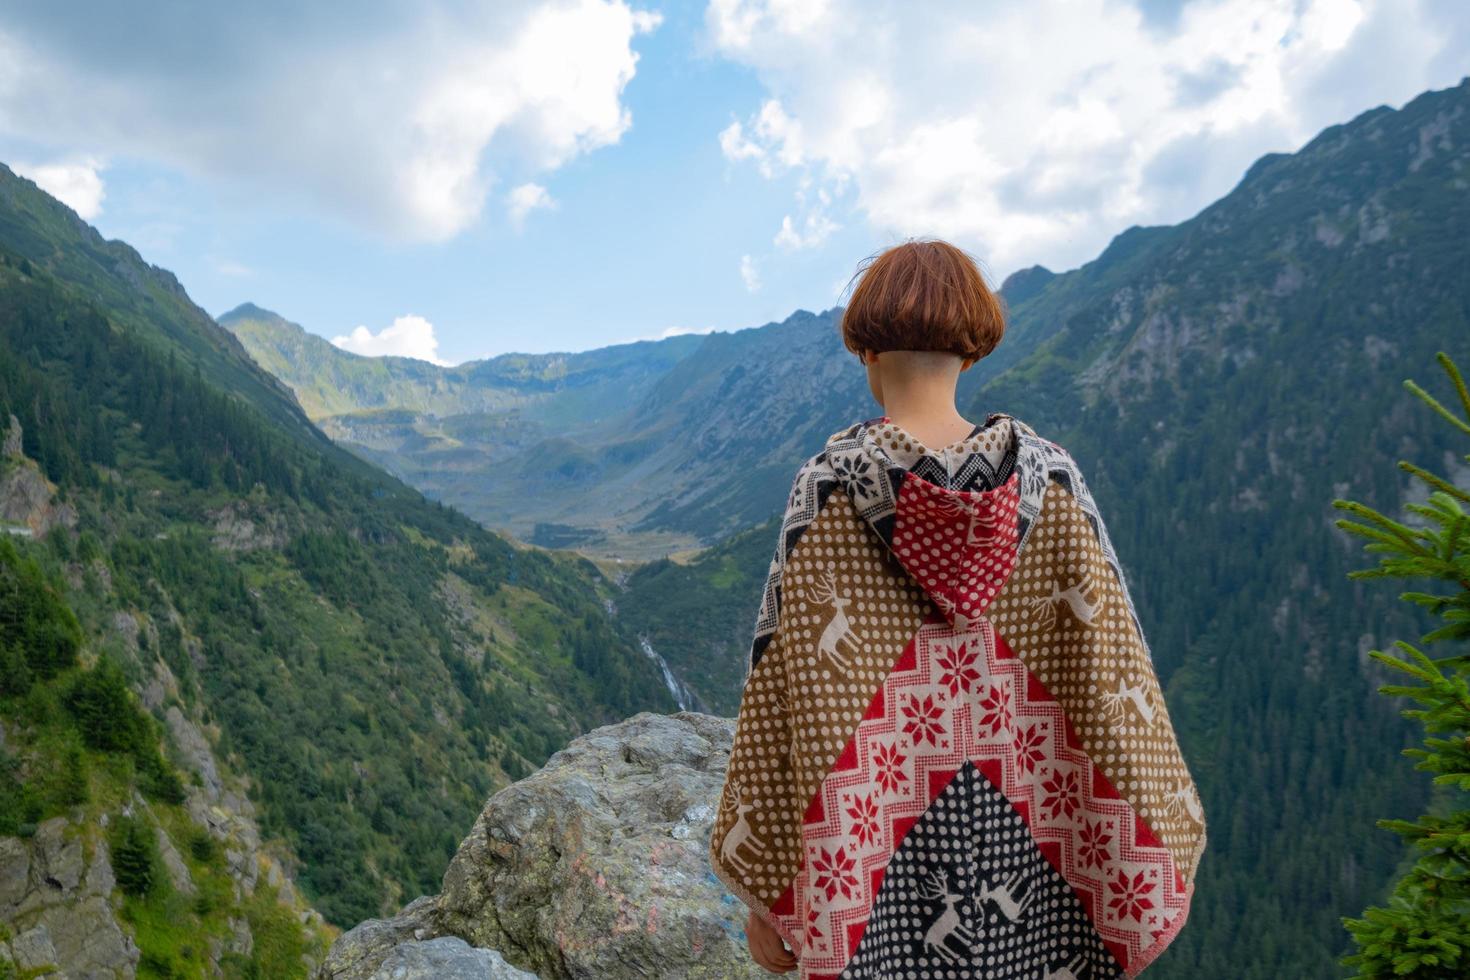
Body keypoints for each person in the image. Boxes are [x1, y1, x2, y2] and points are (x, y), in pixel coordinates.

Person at [709, 240, 1206, 978]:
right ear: (970, 355)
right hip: (1043, 886)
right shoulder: (1054, 485)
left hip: (878, 894)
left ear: (867, 352)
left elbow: (781, 702)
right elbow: (1116, 678)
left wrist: (766, 893)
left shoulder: (825, 495)